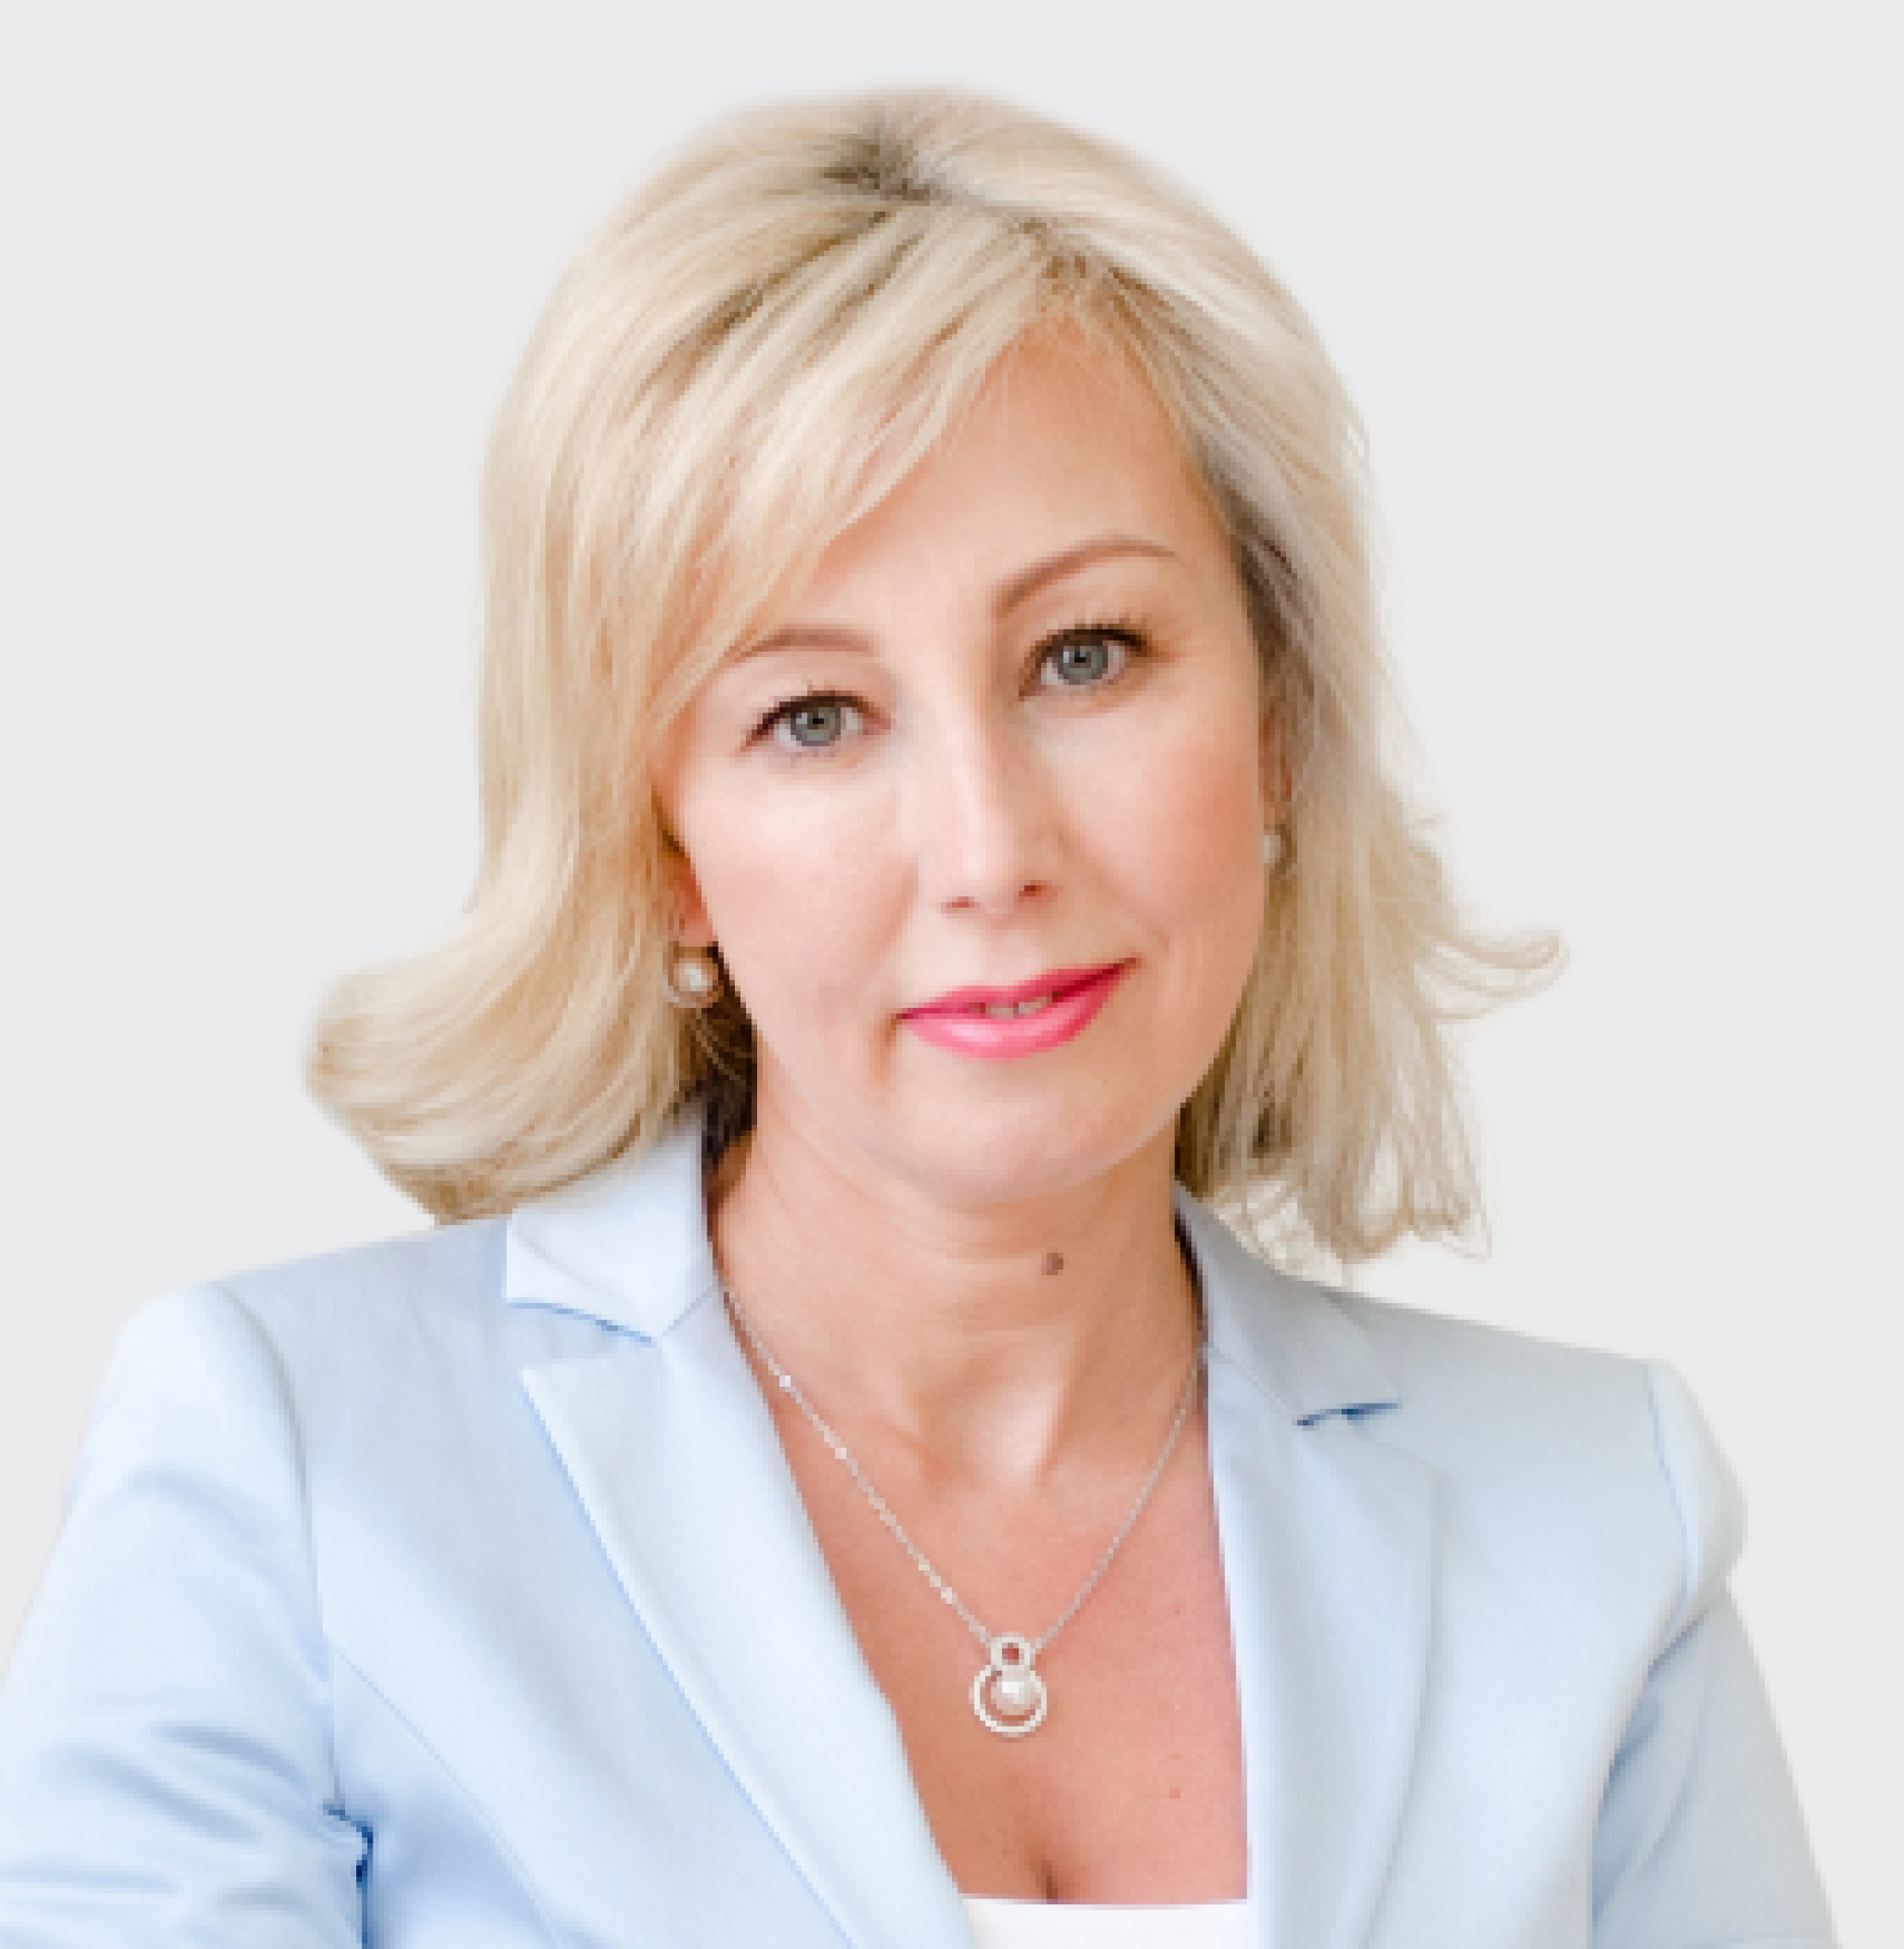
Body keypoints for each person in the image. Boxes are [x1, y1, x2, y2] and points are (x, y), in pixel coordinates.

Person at [0, 87, 1835, 1948]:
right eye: (812, 716)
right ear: (662, 849)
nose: (987, 850)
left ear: (1278, 720)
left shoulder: (1599, 1517)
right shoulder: (291, 1471)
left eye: (1083, 656)